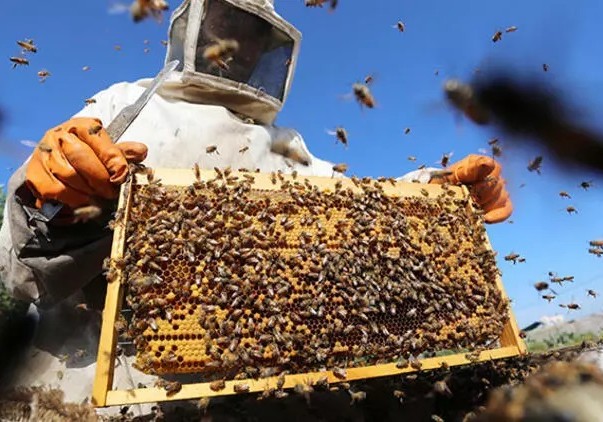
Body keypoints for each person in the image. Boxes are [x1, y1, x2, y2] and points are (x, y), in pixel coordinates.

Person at [0, 0, 512, 414]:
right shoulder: (123, 107)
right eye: (227, 26)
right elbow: (21, 270)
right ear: (194, 28)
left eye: (252, 37)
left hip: (252, 393)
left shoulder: (287, 147)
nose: (237, 46)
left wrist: (442, 193)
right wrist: (48, 200)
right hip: (97, 386)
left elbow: (362, 218)